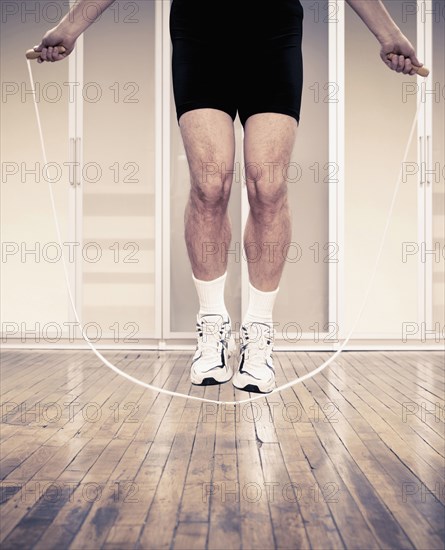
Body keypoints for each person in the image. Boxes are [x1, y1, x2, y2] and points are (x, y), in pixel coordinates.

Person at [32, 0, 423, 393]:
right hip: (200, 30)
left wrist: (390, 35)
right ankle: (213, 326)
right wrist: (69, 27)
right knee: (209, 184)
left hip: (274, 29)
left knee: (267, 187)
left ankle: (258, 333)